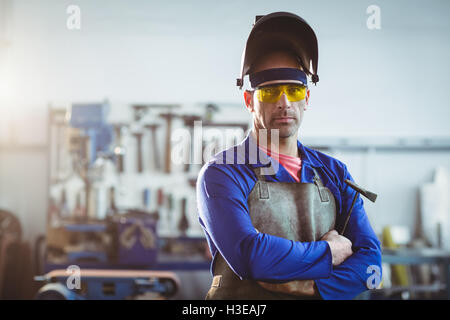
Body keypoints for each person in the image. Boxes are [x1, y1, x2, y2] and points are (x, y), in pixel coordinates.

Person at [196, 12, 382, 300]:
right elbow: (250, 256)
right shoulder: (223, 173)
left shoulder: (334, 172)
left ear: (306, 99)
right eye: (270, 92)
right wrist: (328, 252)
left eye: (293, 90)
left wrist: (314, 289)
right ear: (249, 101)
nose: (284, 103)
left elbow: (372, 266)